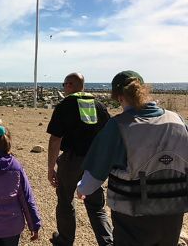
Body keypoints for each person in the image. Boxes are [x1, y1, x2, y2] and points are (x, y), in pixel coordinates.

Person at [77, 71, 188, 246]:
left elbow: (95, 174)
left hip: (133, 217)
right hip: (173, 214)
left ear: (119, 97)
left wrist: (82, 189)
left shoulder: (118, 126)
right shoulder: (178, 121)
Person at [47, 72, 113, 246]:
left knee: (65, 200)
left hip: (71, 160)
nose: (63, 87)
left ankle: (65, 240)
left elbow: (55, 140)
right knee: (96, 206)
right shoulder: (99, 106)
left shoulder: (65, 105)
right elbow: (110, 136)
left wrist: (50, 167)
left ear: (69, 85)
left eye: (64, 84)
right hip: (94, 162)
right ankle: (108, 242)